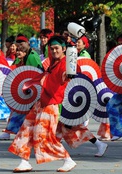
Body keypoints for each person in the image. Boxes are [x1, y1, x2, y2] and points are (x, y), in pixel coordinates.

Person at [8, 36, 76, 172]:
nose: (54, 51)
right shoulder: (53, 61)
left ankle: (67, 159)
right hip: (41, 101)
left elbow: (66, 75)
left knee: (43, 135)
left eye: (57, 48)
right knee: (26, 129)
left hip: (52, 103)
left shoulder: (65, 63)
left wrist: (68, 72)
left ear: (64, 49)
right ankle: (24, 161)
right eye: (52, 49)